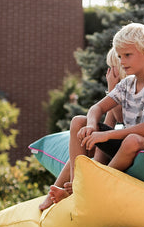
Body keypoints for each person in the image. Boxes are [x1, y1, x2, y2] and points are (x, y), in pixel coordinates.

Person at [39, 23, 144, 209]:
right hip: (129, 141)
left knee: (132, 140)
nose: (122, 61)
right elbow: (96, 108)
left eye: (127, 55)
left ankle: (93, 185)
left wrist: (106, 135)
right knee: (77, 122)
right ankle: (77, 185)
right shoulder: (127, 83)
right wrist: (90, 125)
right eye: (120, 56)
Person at [43, 48, 126, 204]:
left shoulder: (127, 89)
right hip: (114, 144)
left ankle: (75, 187)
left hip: (128, 145)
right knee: (81, 143)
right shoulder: (119, 91)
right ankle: (64, 187)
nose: (109, 71)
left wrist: (112, 89)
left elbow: (120, 116)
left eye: (112, 66)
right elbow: (108, 125)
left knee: (85, 140)